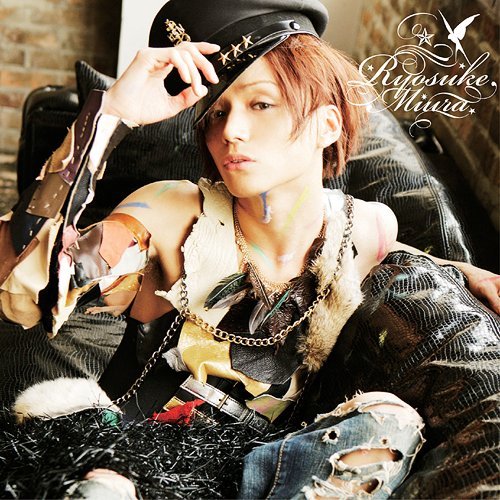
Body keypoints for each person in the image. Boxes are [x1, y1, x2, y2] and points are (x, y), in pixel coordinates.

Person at [1, 0, 499, 498]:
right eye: (217, 112)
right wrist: (111, 115)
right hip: (124, 466)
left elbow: (401, 256)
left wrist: (463, 271)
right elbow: (31, 280)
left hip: (260, 476)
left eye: (261, 104)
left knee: (389, 422)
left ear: (328, 124)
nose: (229, 132)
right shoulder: (172, 213)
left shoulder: (366, 229)